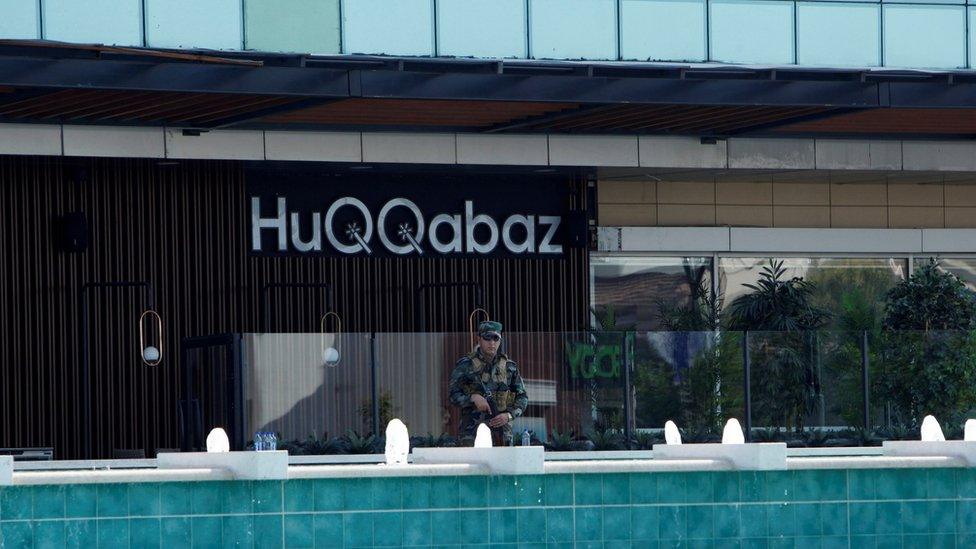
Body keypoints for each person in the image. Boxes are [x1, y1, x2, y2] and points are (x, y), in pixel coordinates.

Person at [448, 320, 528, 446]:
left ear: (500, 341)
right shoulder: (465, 365)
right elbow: (453, 395)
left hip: (501, 430)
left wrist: (509, 416)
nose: (492, 343)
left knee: (504, 463)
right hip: (471, 432)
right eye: (487, 338)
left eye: (496, 339)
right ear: (479, 339)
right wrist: (472, 398)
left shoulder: (509, 367)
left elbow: (522, 397)